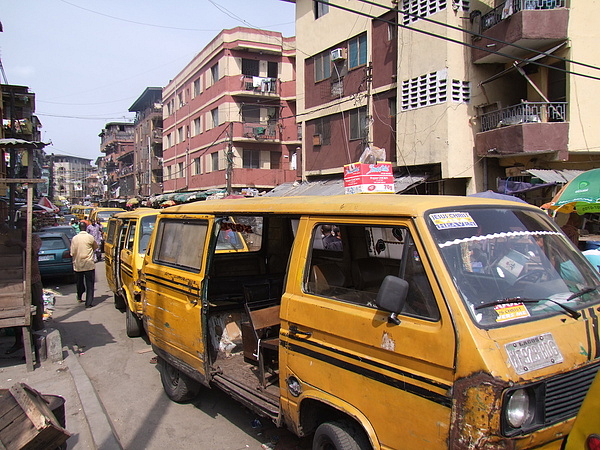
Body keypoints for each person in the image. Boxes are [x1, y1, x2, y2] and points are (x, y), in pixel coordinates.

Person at [4, 217, 44, 354]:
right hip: (17, 281)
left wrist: (18, 243)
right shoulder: (12, 239)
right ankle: (19, 342)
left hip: (33, 280)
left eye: (23, 227)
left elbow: (32, 251)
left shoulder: (34, 239)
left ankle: (36, 343)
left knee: (36, 310)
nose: (21, 229)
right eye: (19, 227)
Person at [71, 222, 98, 308]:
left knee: (79, 282)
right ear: (86, 228)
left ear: (79, 228)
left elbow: (72, 252)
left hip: (78, 264)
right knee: (90, 284)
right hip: (88, 264)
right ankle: (88, 302)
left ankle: (79, 296)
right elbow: (95, 247)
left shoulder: (75, 238)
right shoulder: (90, 237)